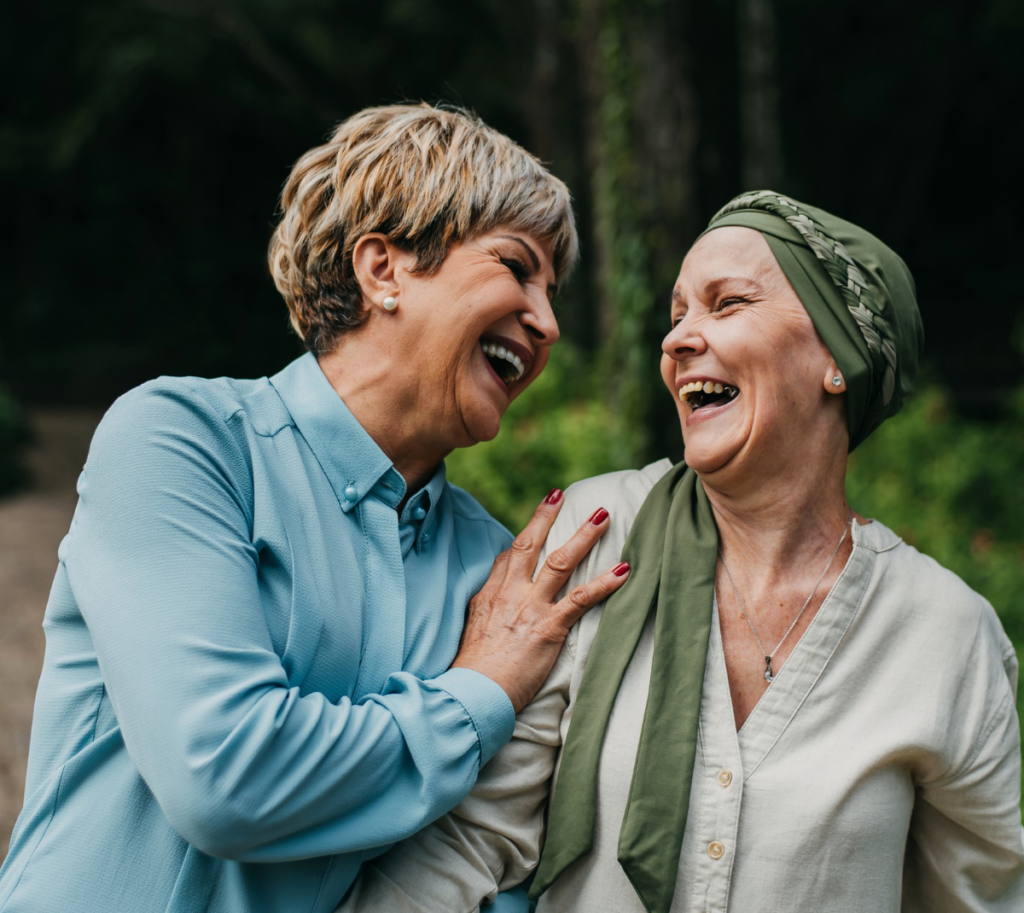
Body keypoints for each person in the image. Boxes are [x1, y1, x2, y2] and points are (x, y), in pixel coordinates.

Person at [0, 104, 633, 913]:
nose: (545, 323)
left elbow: (487, 859)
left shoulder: (498, 571)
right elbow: (225, 775)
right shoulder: (181, 443)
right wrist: (478, 693)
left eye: (553, 293)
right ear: (384, 270)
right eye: (515, 267)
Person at [341, 190, 1024, 912]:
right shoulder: (595, 534)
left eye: (726, 304)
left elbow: (978, 900)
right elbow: (475, 838)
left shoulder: (947, 634)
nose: (677, 340)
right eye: (677, 316)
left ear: (837, 358)